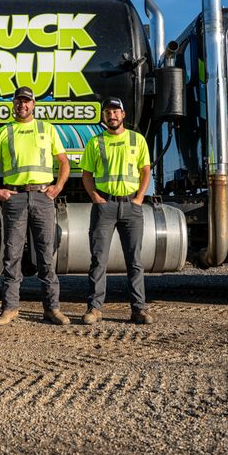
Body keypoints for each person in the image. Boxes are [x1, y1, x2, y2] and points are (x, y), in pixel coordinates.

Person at [0, 86, 71, 326]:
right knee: (12, 254)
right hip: (16, 198)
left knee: (45, 253)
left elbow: (64, 162)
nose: (22, 105)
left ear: (33, 105)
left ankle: (51, 308)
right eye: (19, 101)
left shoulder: (47, 129)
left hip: (43, 197)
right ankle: (10, 308)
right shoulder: (4, 132)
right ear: (13, 104)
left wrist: (57, 187)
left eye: (27, 101)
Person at [79, 97, 154, 325]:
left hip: (131, 206)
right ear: (103, 116)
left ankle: (138, 309)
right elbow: (87, 175)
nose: (112, 115)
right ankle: (94, 308)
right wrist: (96, 198)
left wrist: (140, 198)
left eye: (116, 111)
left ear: (123, 115)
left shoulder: (137, 140)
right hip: (105, 206)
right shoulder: (95, 142)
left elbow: (145, 170)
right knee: (98, 259)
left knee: (134, 261)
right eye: (108, 112)